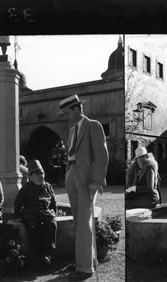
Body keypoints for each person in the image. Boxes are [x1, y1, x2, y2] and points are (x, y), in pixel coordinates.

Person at [57, 95, 109, 281]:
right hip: (72, 173)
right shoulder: (72, 130)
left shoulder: (93, 126)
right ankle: (87, 261)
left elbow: (102, 155)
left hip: (86, 178)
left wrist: (97, 180)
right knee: (79, 220)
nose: (65, 116)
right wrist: (68, 173)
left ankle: (85, 268)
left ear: (77, 109)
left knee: (84, 220)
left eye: (67, 112)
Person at [14, 159, 57, 264]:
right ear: (31, 177)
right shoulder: (26, 188)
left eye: (42, 173)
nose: (41, 176)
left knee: (52, 224)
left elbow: (53, 202)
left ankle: (48, 253)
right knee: (33, 227)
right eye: (37, 174)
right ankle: (37, 254)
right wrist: (17, 215)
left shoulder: (48, 186)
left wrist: (53, 213)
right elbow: (18, 202)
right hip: (30, 214)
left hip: (45, 213)